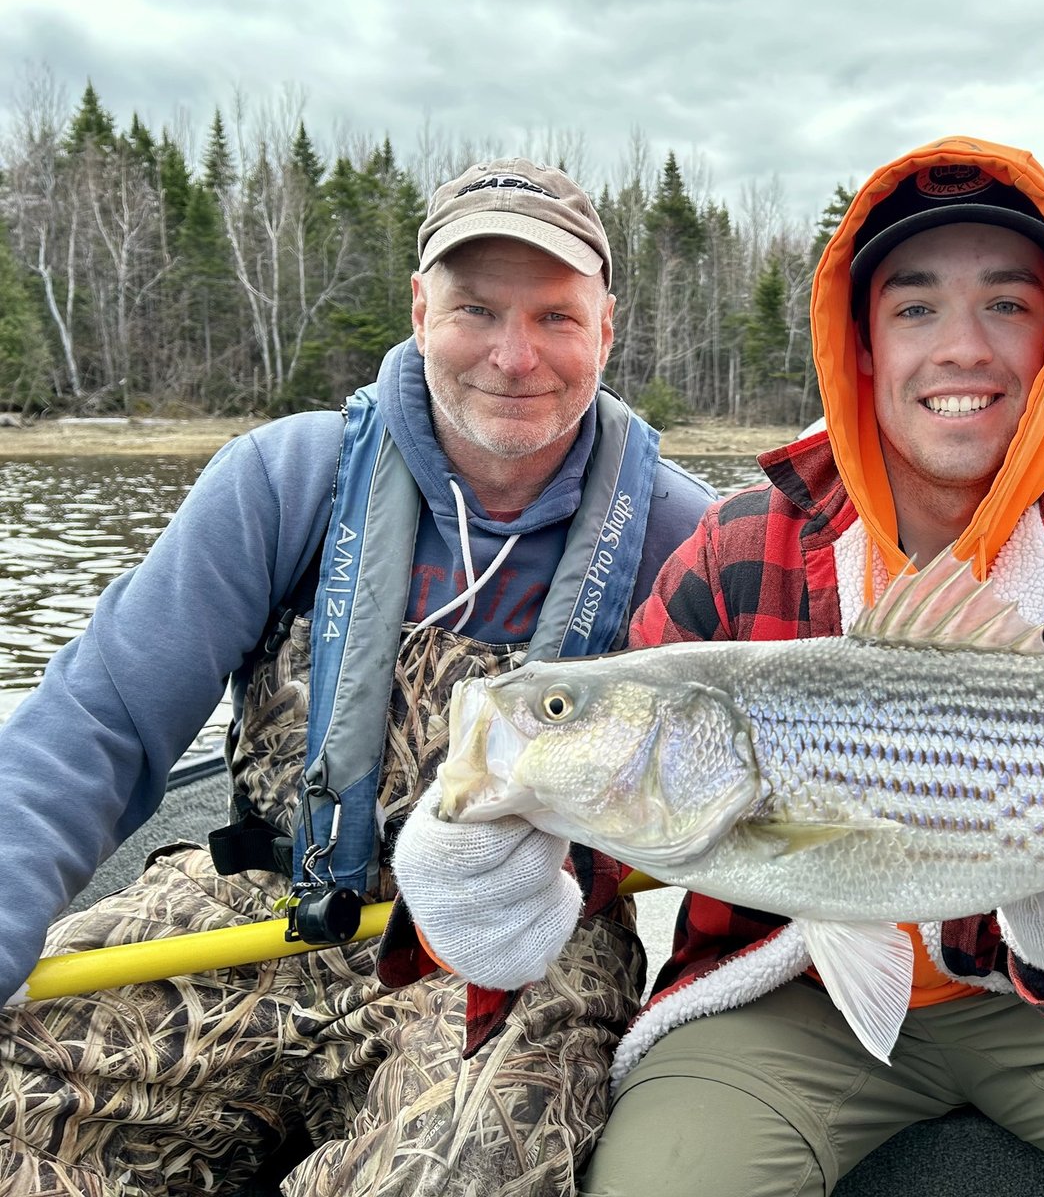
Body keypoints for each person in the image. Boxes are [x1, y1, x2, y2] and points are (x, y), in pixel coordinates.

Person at [401, 136, 1044, 1196]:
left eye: (1005, 304)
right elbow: (596, 847)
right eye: (914, 307)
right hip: (788, 1003)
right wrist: (481, 889)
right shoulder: (732, 556)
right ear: (860, 344)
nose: (960, 347)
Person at [0, 158, 715, 1196]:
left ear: (606, 327)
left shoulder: (685, 536)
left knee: (473, 1167)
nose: (515, 357)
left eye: (555, 317)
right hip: (268, 901)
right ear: (421, 310)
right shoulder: (282, 480)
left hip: (516, 943)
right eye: (477, 309)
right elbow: (98, 721)